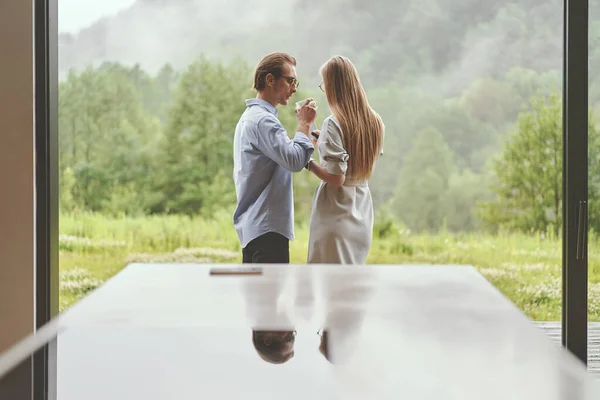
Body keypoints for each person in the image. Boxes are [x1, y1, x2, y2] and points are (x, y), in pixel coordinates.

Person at [233, 52, 317, 264]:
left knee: (258, 297)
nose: (294, 88)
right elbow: (295, 161)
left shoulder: (250, 118)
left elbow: (289, 154)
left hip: (255, 229)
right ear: (270, 80)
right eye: (290, 80)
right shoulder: (264, 122)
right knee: (268, 297)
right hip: (267, 231)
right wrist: (304, 124)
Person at [306, 56, 384, 264]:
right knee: (352, 283)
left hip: (336, 210)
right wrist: (320, 140)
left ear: (333, 87)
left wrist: (308, 162)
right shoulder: (375, 121)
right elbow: (354, 160)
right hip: (361, 208)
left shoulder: (333, 123)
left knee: (327, 284)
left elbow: (336, 178)